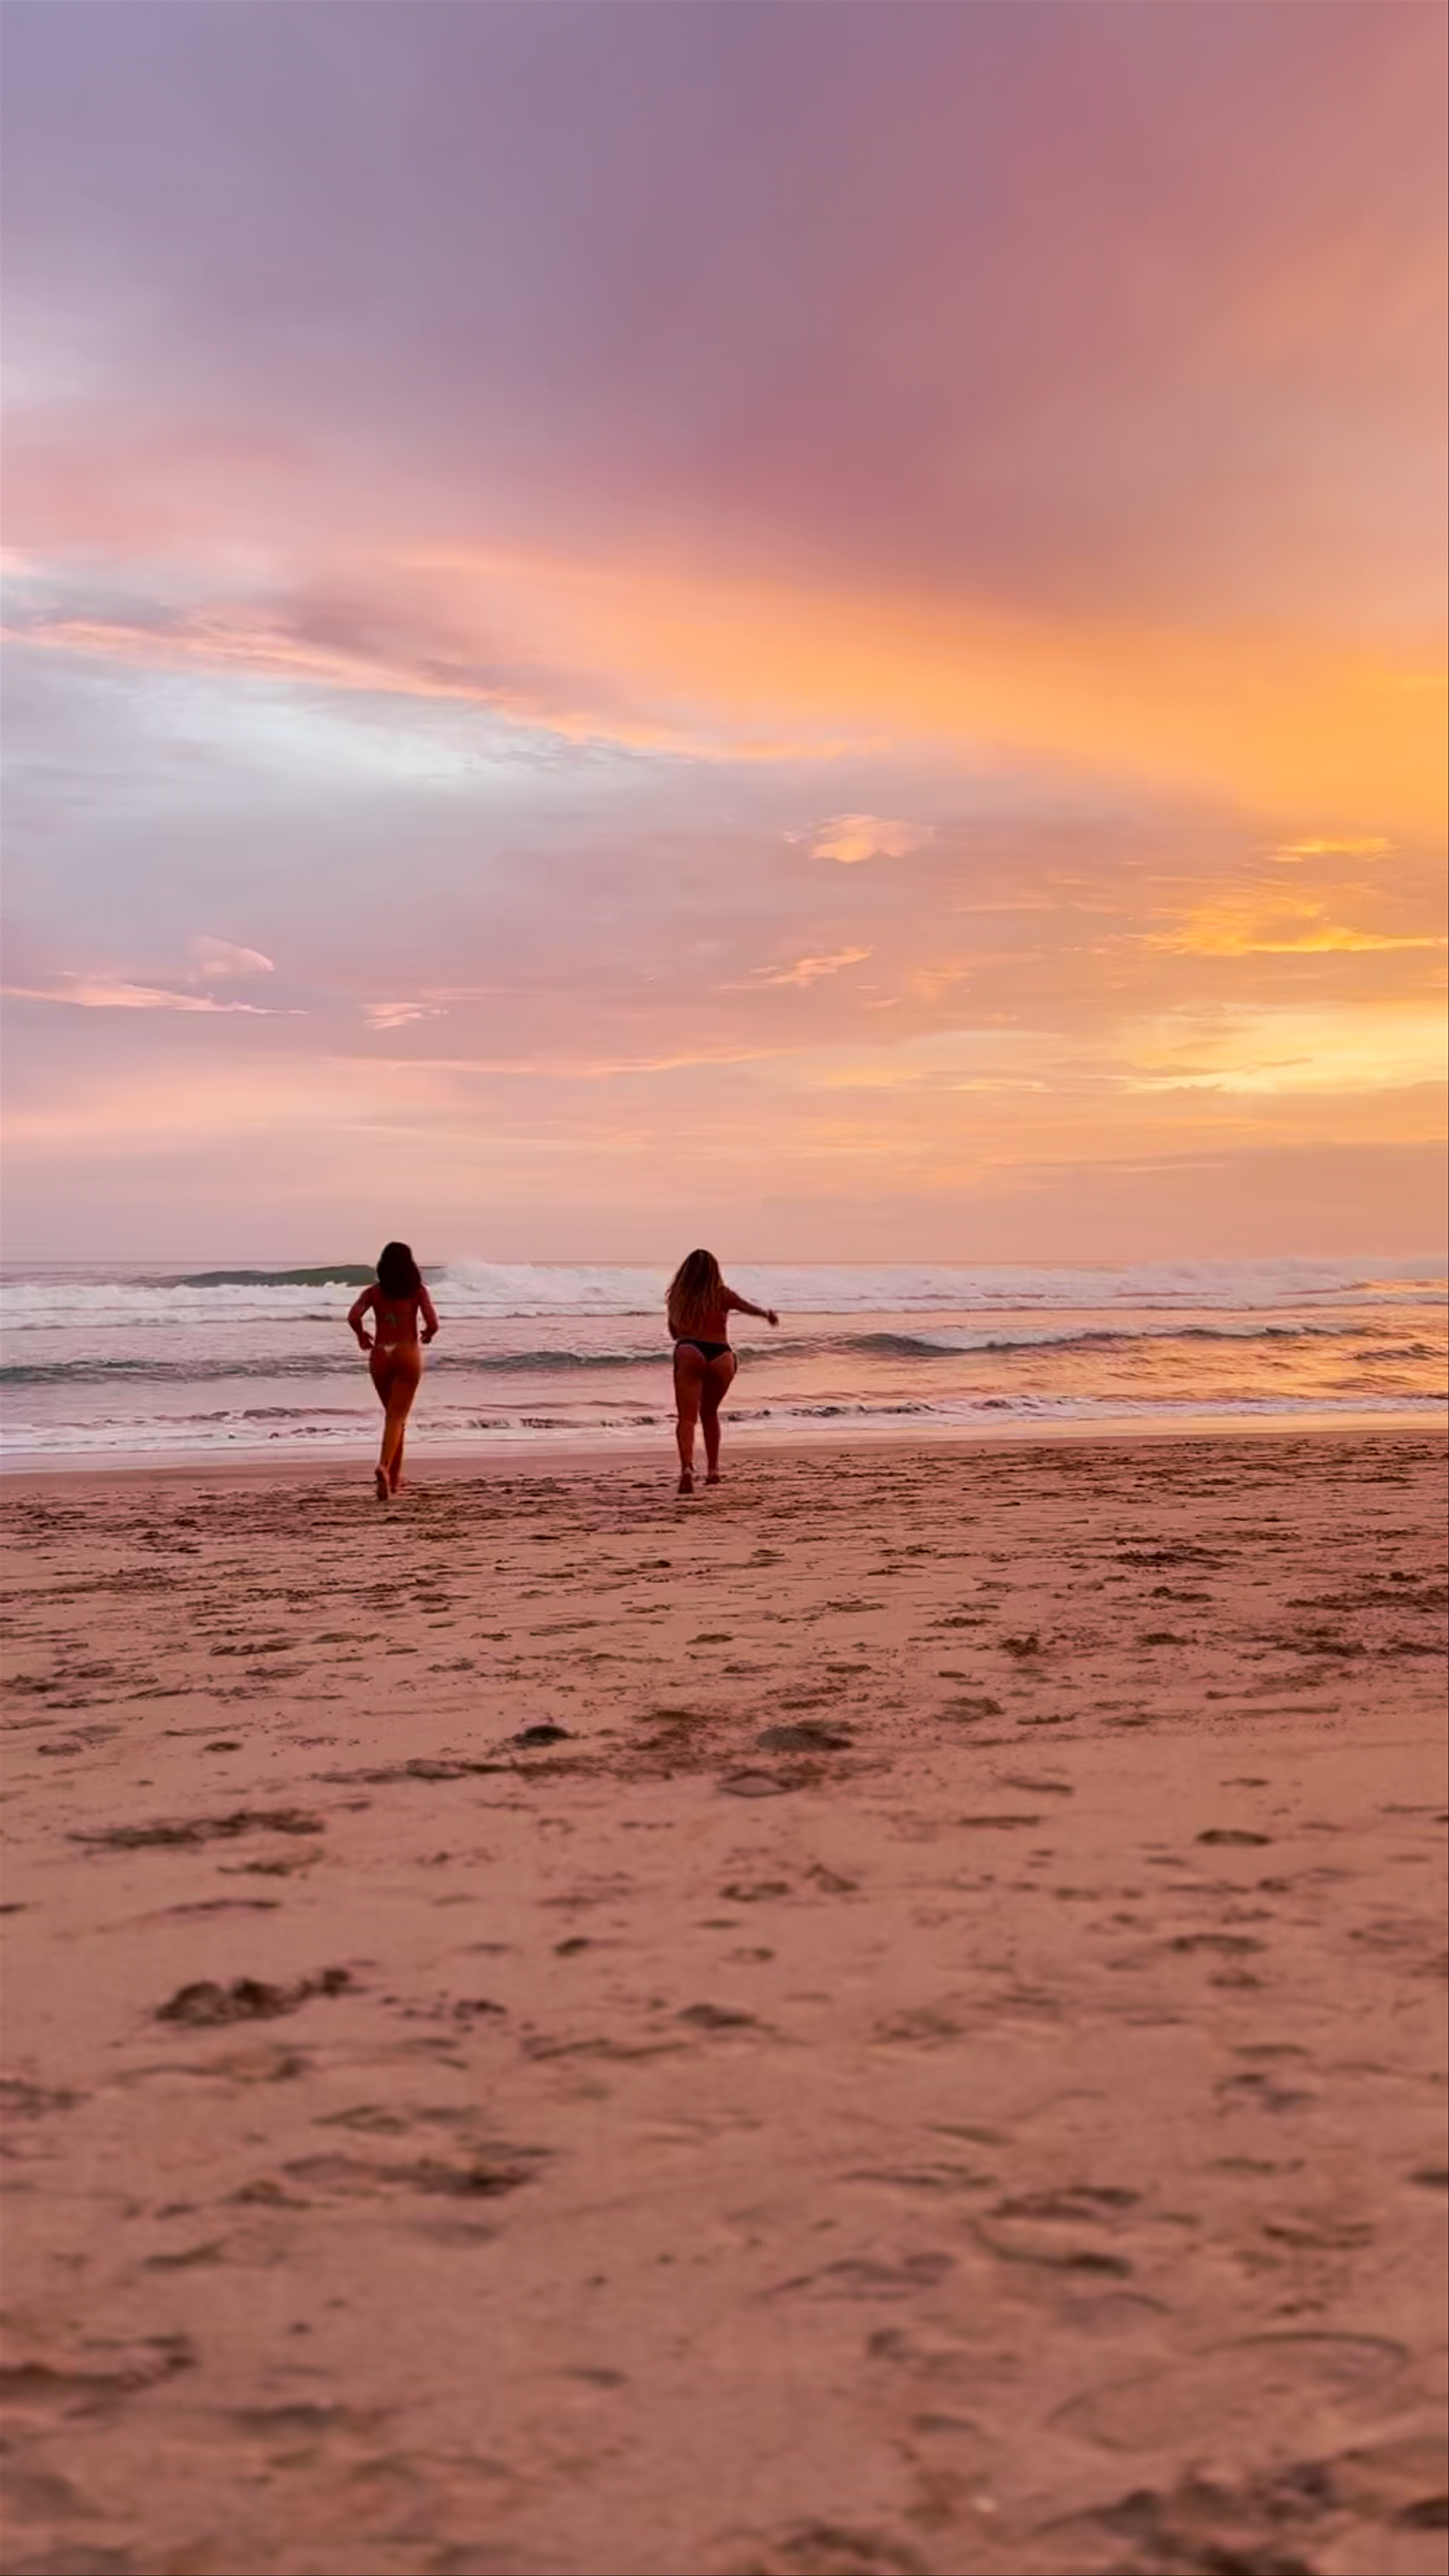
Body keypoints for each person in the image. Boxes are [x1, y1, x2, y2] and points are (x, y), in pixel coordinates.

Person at [665, 1249, 778, 1496]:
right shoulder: (722, 1294)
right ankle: (714, 1470)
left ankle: (687, 1468)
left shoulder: (677, 1296)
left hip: (689, 1351)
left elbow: (675, 1333)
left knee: (687, 1418)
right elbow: (746, 1307)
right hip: (721, 1355)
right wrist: (766, 1315)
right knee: (710, 1413)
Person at [347, 1243, 439, 1500]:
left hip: (381, 1355)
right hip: (407, 1354)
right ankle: (385, 1468)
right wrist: (429, 1333)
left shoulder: (373, 1293)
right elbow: (433, 1322)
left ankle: (395, 1479)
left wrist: (361, 1335)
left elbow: (354, 1316)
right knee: (397, 1419)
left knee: (393, 1417)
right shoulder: (419, 1292)